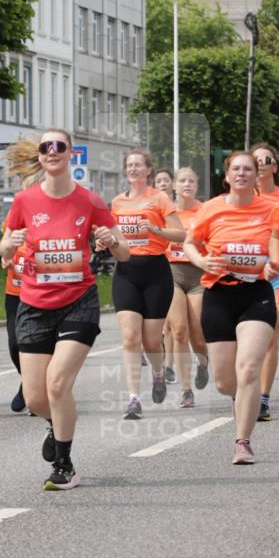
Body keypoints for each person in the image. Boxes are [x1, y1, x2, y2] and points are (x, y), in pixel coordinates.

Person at [0, 130, 130, 490]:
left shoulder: (90, 201)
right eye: (46, 147)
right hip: (33, 303)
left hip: (78, 301)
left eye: (59, 146)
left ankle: (65, 463)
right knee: (36, 397)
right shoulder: (25, 201)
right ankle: (55, 425)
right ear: (40, 157)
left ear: (71, 154)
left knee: (58, 383)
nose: (52, 151)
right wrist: (8, 244)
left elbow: (125, 253)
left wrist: (111, 241)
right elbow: (4, 251)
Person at [184, 151, 278, 465]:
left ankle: (243, 440)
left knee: (249, 367)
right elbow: (189, 243)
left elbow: (277, 244)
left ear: (256, 176)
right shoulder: (211, 209)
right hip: (219, 295)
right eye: (235, 169)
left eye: (248, 169)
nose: (241, 173)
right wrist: (200, 260)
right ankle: (239, 399)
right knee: (225, 381)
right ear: (227, 176)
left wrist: (273, 266)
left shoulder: (273, 208)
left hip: (257, 294)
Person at [110, 148, 185, 419]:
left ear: (148, 170)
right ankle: (133, 399)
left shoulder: (160, 198)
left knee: (151, 341)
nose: (133, 169)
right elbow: (116, 240)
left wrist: (158, 231)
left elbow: (181, 234)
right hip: (126, 272)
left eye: (138, 165)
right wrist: (106, 242)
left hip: (156, 272)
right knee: (130, 337)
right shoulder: (117, 202)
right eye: (129, 165)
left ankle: (158, 372)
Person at [165, 168, 209, 407]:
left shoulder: (204, 211)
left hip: (198, 276)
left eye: (191, 180)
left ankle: (203, 364)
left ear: (197, 184)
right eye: (182, 180)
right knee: (179, 331)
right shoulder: (168, 212)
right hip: (172, 273)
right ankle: (185, 389)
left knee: (198, 336)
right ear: (175, 185)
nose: (187, 184)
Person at [250, 143, 279, 421]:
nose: (261, 163)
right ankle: (245, 388)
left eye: (266, 159)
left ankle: (262, 399)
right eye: (255, 159)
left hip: (276, 273)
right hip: (245, 273)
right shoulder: (241, 198)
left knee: (270, 337)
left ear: (275, 166)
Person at [1, 209, 27, 412]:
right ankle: (29, 382)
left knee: (36, 345)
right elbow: (5, 247)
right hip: (15, 293)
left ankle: (31, 389)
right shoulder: (13, 216)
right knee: (14, 344)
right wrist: (6, 258)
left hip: (42, 294)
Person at [154, 168, 177, 383]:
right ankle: (162, 362)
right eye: (158, 180)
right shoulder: (152, 207)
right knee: (161, 324)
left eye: (166, 180)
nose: (162, 183)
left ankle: (169, 364)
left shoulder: (177, 209)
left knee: (171, 324)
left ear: (172, 183)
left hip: (179, 267)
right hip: (159, 265)